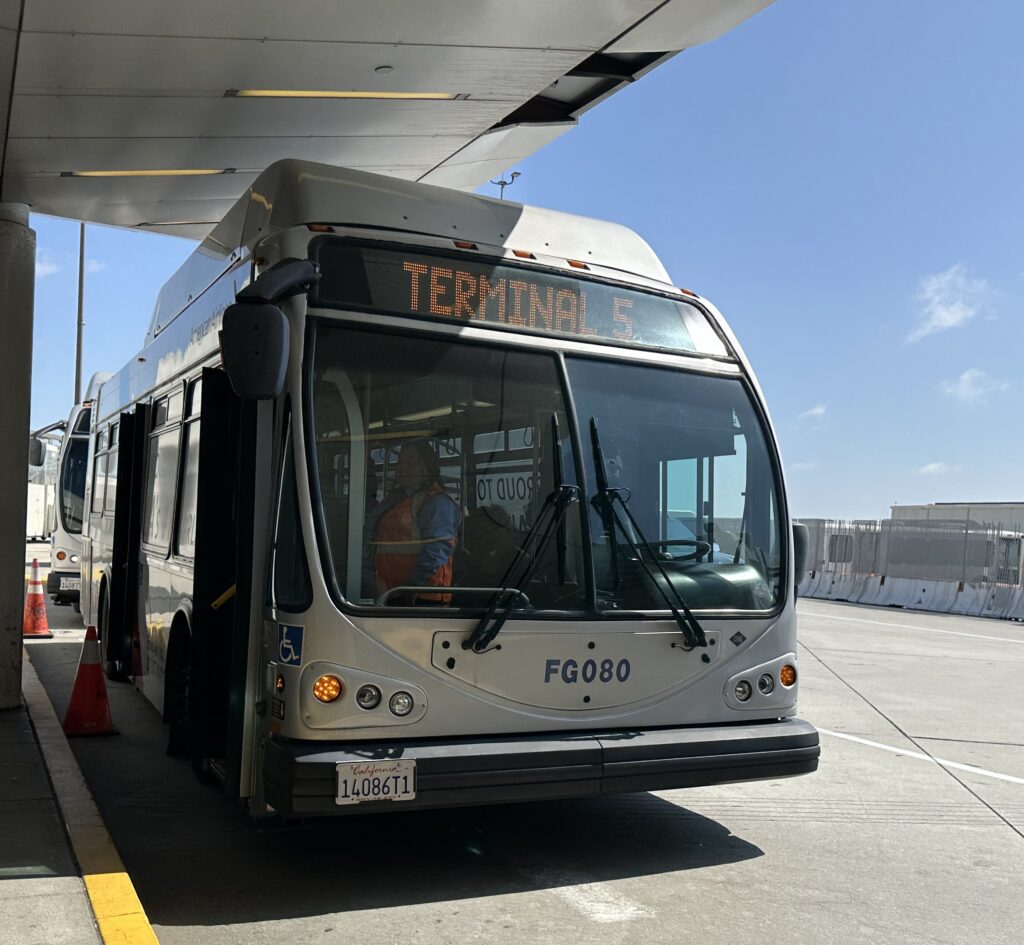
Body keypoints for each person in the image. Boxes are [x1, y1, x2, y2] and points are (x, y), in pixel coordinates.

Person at [370, 440, 461, 604]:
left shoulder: (436, 503)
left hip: (422, 598)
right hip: (390, 592)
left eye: (411, 463)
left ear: (427, 469)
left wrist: (412, 587)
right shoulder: (394, 499)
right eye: (400, 462)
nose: (403, 468)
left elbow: (436, 550)